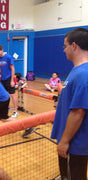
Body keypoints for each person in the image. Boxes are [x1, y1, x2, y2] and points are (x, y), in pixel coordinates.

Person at [51, 28, 88, 180]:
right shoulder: (76, 71)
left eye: (65, 46)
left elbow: (78, 113)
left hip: (75, 145)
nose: (64, 49)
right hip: (69, 142)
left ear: (74, 46)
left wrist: (65, 142)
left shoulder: (83, 74)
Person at [0, 44, 18, 118]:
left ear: (2, 50)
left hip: (9, 78)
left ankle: (15, 111)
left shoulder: (8, 57)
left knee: (12, 95)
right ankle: (6, 109)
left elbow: (12, 69)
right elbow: (1, 67)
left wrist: (12, 80)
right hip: (3, 79)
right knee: (5, 95)